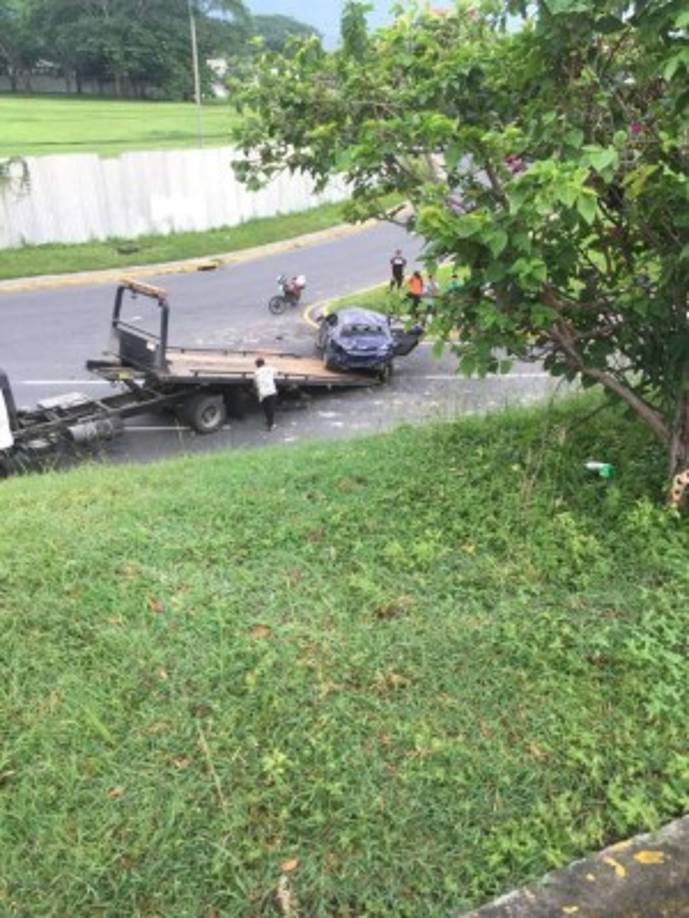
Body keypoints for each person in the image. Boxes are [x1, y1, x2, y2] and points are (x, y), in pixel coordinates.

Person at [254, 357, 278, 430]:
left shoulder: (256, 372)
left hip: (263, 393)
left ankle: (268, 421)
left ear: (257, 365)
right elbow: (276, 372)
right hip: (271, 391)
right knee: (271, 408)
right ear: (264, 363)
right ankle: (271, 425)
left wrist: (257, 391)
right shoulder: (269, 369)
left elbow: (255, 384)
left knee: (266, 408)